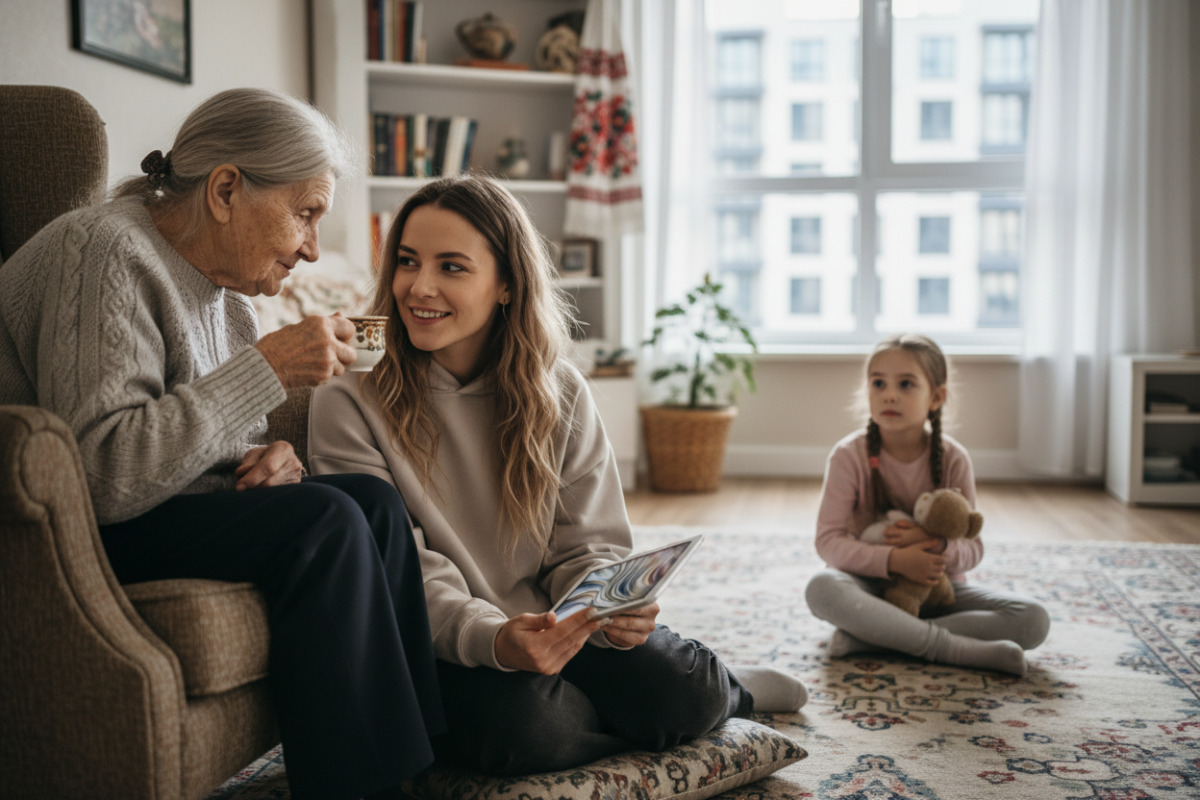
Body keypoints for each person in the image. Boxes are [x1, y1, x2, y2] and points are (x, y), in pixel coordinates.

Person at [0, 88, 443, 800]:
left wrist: (271, 463)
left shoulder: (225, 293)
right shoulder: (103, 250)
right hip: (59, 533)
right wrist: (266, 369)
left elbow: (211, 442)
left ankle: (423, 770)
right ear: (227, 189)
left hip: (151, 509)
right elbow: (103, 473)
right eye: (305, 214)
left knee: (372, 503)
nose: (311, 247)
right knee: (325, 522)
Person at [307, 174, 807, 776]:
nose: (420, 287)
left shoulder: (559, 391)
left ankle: (726, 693)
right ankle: (627, 717)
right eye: (408, 262)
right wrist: (495, 637)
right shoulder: (347, 402)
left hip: (558, 628)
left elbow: (588, 544)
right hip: (449, 644)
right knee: (529, 732)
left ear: (507, 286)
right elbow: (405, 572)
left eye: (452, 267)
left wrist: (609, 609)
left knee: (687, 690)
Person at [804, 333, 1050, 676]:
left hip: (938, 593)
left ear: (936, 397)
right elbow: (828, 542)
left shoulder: (954, 459)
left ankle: (871, 640)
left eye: (906, 384)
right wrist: (896, 560)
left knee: (1032, 619)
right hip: (869, 590)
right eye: (878, 383)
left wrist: (935, 549)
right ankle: (952, 649)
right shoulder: (849, 456)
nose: (889, 394)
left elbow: (973, 547)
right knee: (821, 587)